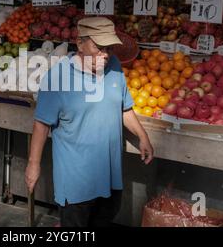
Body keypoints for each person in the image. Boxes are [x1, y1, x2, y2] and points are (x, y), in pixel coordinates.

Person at [25, 17, 154, 227]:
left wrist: (142, 136)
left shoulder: (113, 67)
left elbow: (124, 108)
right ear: (80, 43)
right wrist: (33, 165)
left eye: (109, 48)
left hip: (110, 176)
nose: (105, 54)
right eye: (98, 47)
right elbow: (41, 124)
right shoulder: (58, 77)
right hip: (76, 181)